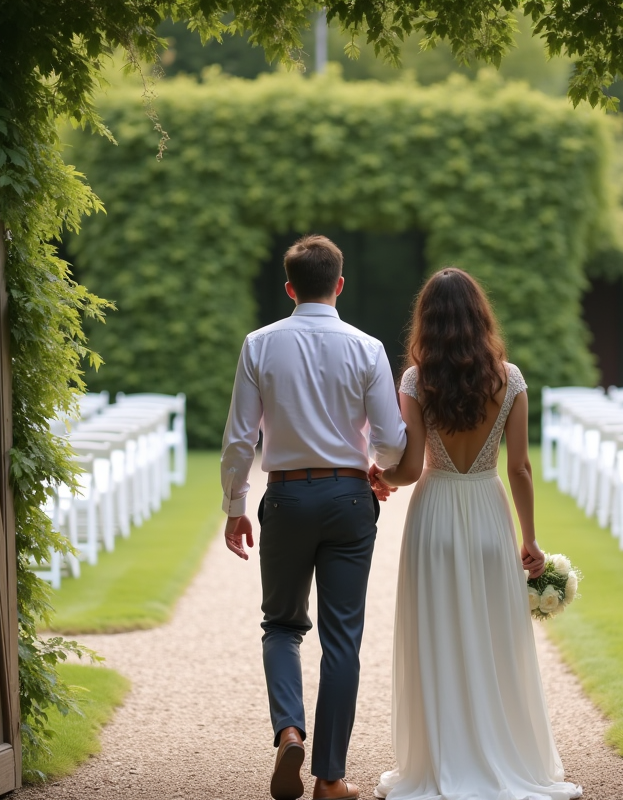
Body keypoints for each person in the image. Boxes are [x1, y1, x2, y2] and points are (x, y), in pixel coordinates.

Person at [369, 267, 583, 800]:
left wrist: (380, 478)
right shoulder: (508, 380)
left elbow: (410, 466)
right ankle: (501, 752)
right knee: (495, 639)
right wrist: (529, 538)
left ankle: (441, 759)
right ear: (480, 317)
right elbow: (520, 470)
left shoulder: (418, 381)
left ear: (428, 321)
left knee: (436, 634)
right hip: (489, 513)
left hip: (435, 515)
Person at [220, 234, 406, 800]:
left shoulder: (259, 344)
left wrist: (235, 507)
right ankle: (330, 778)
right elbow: (394, 438)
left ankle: (290, 731)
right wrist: (380, 469)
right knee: (342, 638)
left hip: (286, 496)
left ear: (289, 287)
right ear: (340, 284)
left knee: (280, 625)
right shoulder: (368, 347)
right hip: (351, 499)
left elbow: (237, 440)